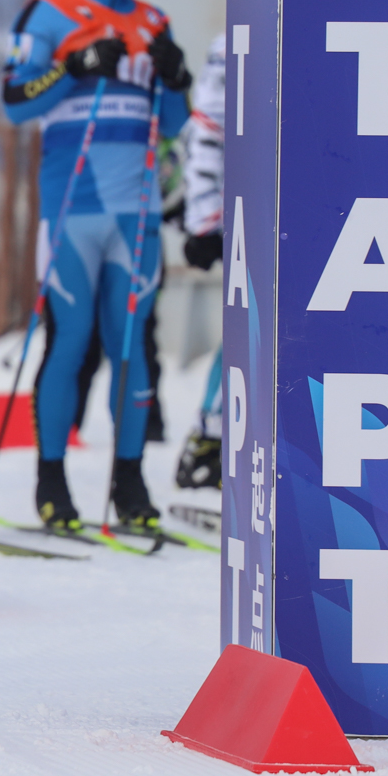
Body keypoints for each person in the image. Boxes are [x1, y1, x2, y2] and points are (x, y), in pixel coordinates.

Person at [1, 0, 191, 531]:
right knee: (70, 340)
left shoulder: (154, 20)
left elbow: (172, 122)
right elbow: (15, 100)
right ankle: (51, 483)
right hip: (72, 208)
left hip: (136, 211)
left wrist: (177, 79)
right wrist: (73, 66)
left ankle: (129, 484)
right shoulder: (48, 11)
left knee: (131, 345)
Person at [175, 32, 227, 490]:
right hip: (262, 209)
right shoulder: (248, 27)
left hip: (325, 205)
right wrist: (205, 219)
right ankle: (209, 440)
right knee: (257, 326)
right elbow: (210, 124)